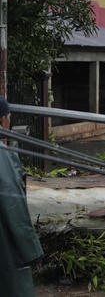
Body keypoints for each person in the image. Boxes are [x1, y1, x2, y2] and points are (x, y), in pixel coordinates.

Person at [0, 96, 44, 296]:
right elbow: (13, 205)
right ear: (3, 120)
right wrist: (32, 250)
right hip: (5, 247)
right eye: (9, 117)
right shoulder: (2, 155)